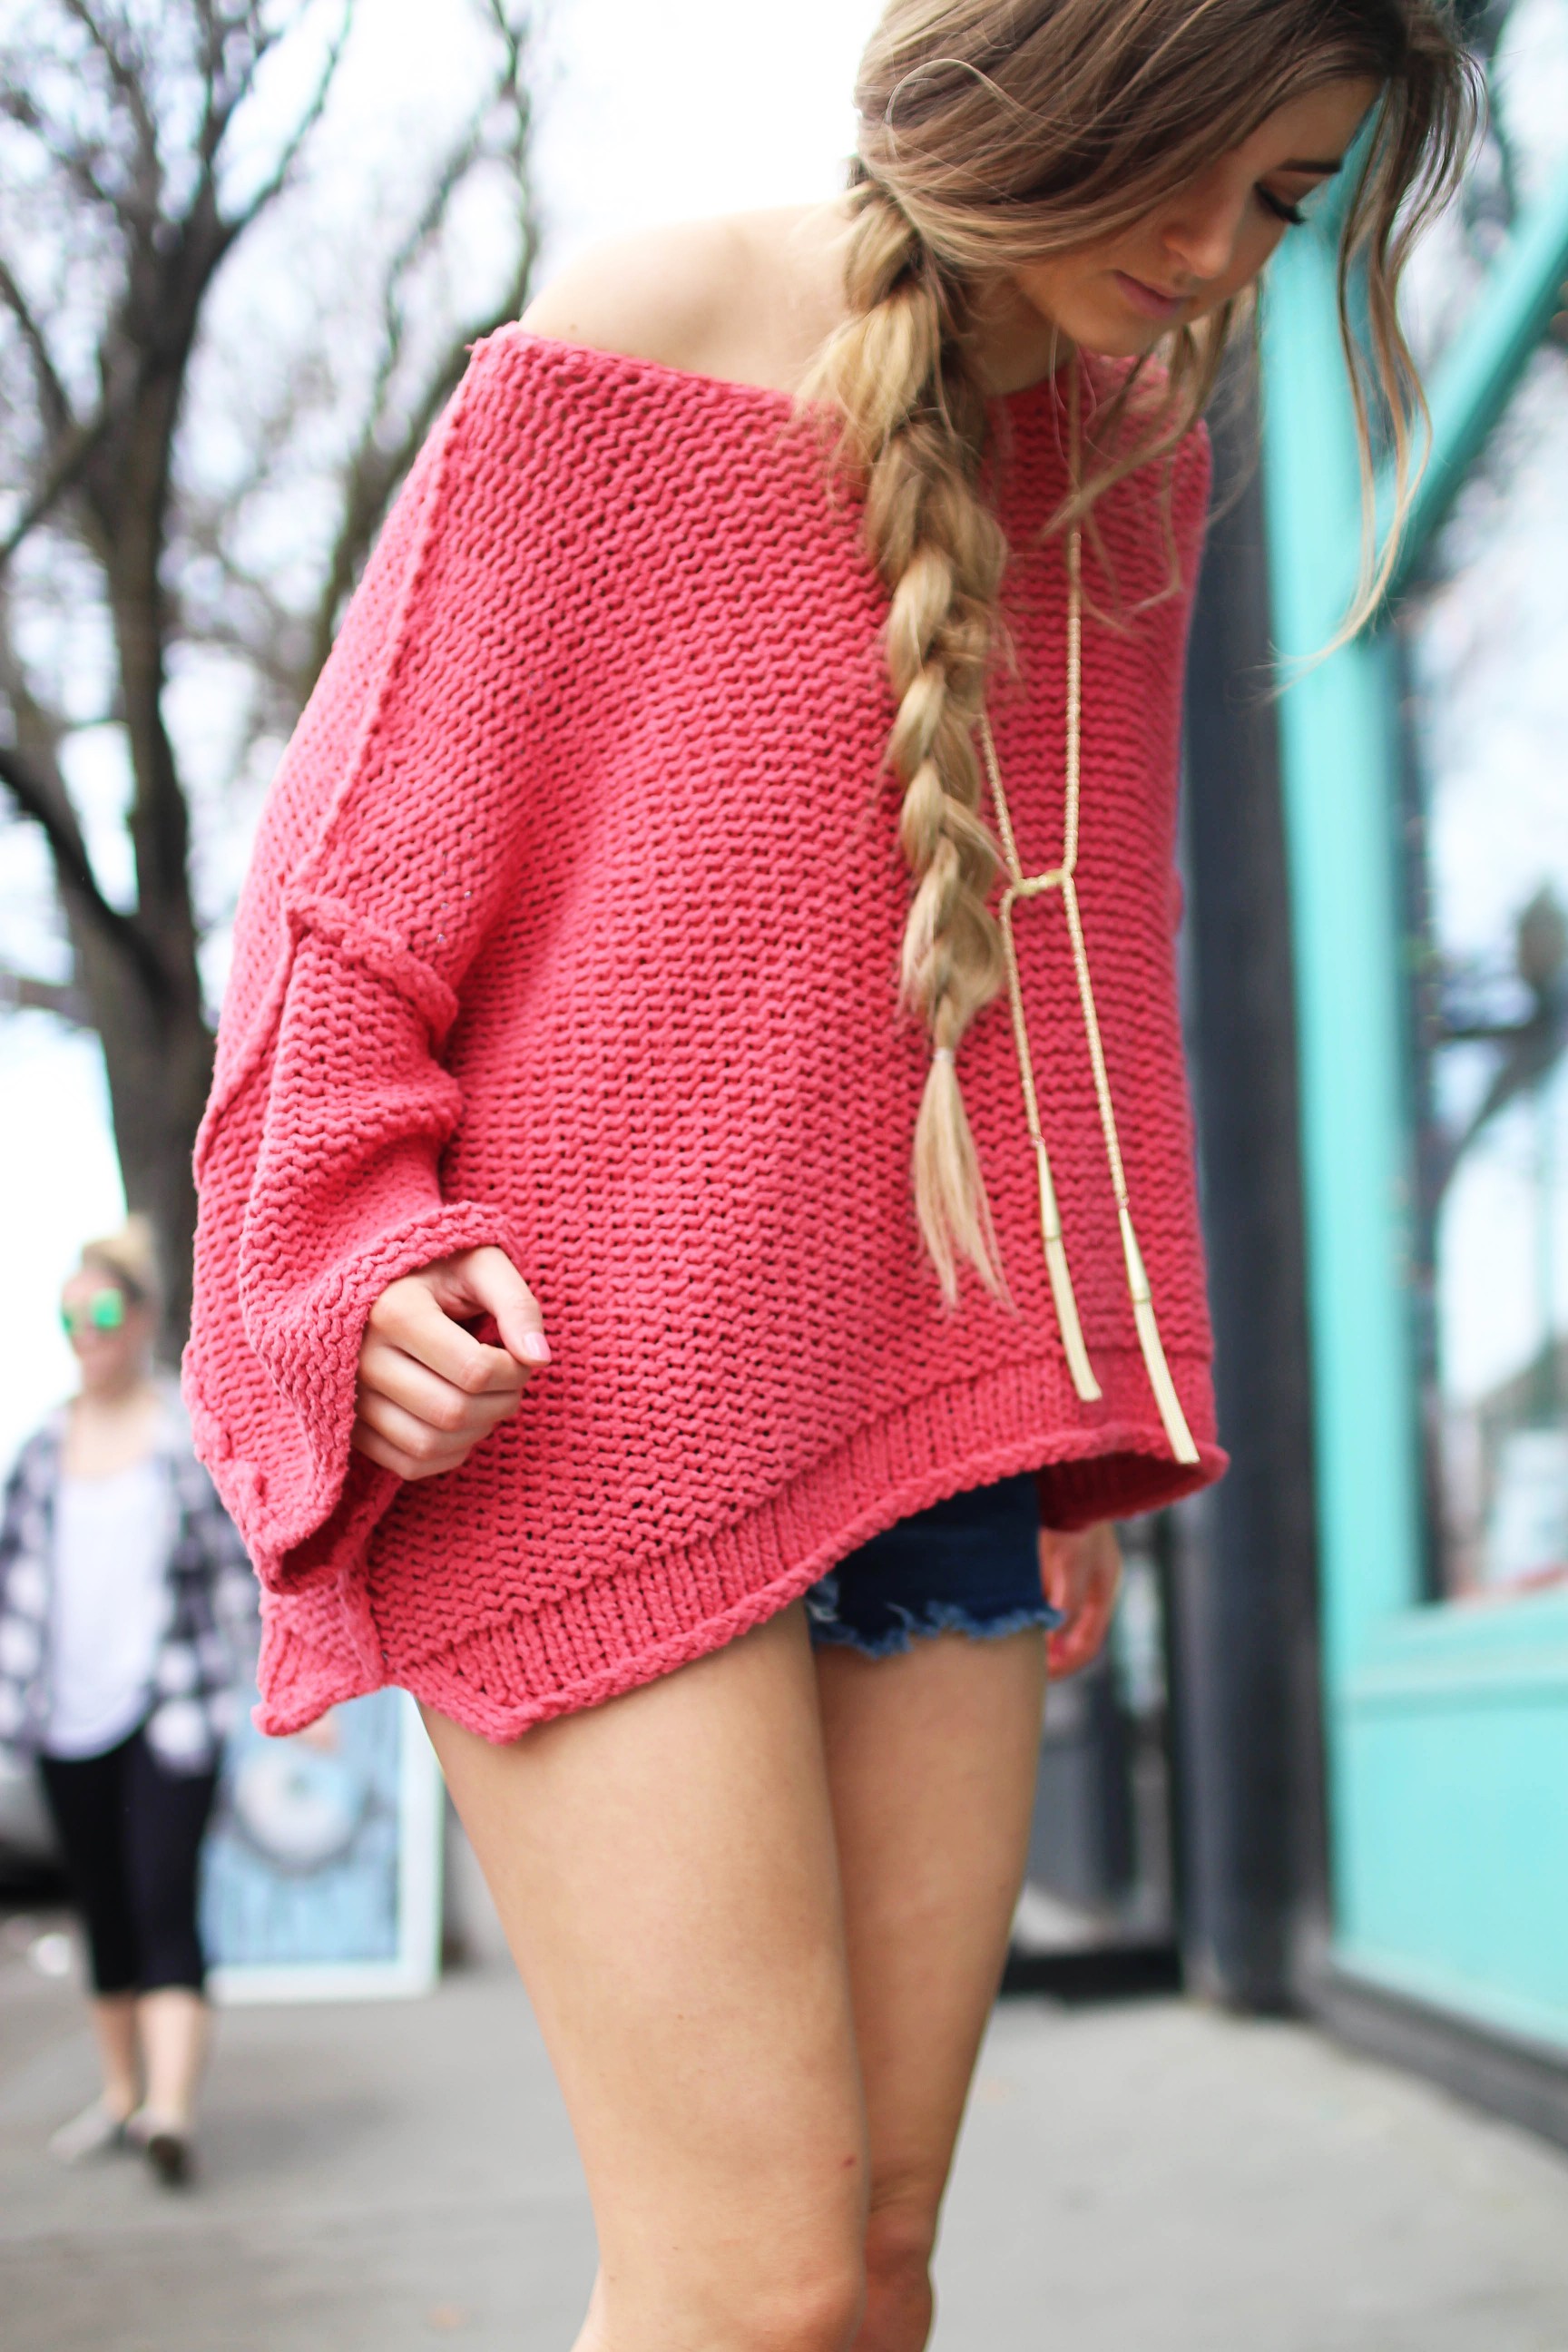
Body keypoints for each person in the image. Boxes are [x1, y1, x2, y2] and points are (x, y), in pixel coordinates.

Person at [186, 2, 1476, 2342]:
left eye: (1280, 205)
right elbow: (341, 909)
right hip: (580, 1419)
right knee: (747, 2276)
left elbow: (1073, 989)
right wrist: (349, 1268)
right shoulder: (631, 344)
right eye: (1174, 169)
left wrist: (1067, 1417)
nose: (1206, 252)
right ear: (1043, 81)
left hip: (935, 1439)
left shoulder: (1127, 460)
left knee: (873, 2273)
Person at [0, 1220, 256, 2189]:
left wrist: (286, 1686)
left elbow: (236, 1575)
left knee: (164, 1904)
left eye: (101, 1311)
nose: (86, 1332)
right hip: (62, 1719)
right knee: (103, 1912)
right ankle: (120, 2094)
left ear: (142, 1317)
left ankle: (170, 2112)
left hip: (173, 1712)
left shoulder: (183, 1440)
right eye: (68, 1318)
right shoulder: (35, 1452)